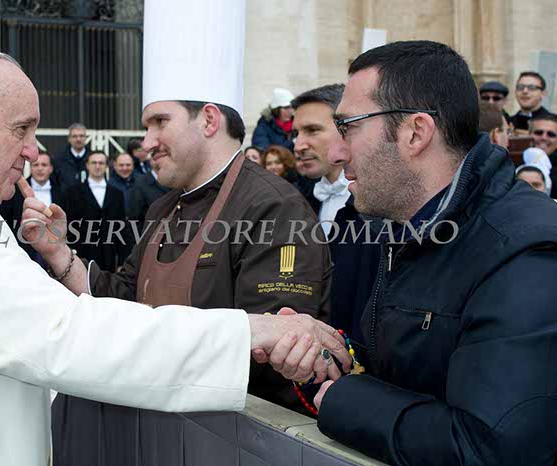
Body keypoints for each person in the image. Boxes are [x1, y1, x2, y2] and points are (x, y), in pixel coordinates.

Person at [0, 47, 349, 466]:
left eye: (160, 122)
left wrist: (59, 255)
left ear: (209, 120)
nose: (32, 150)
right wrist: (248, 331)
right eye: (21, 128)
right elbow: (66, 333)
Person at [42, 1, 336, 462]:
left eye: (160, 122)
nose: (146, 143)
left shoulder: (273, 207)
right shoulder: (163, 207)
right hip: (155, 431)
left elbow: (269, 349)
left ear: (210, 120)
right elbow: (124, 296)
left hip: (230, 441)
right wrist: (60, 255)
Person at [310, 40, 557, 465]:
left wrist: (344, 399)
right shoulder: (406, 227)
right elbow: (409, 372)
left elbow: (490, 449)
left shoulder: (525, 251)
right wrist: (325, 353)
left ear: (416, 133)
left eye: (347, 127)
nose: (335, 152)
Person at [291, 84, 380, 343]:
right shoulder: (296, 199)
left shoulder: (378, 207)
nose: (298, 145)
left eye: (313, 130)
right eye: (295, 133)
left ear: (346, 129)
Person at [64, 151, 130, 270]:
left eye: (101, 163)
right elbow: (70, 225)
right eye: (94, 163)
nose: (97, 166)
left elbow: (121, 227)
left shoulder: (117, 194)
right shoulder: (73, 192)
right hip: (83, 254)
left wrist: (122, 261)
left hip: (109, 255)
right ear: (87, 165)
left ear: (106, 166)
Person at [0, 149, 62, 267]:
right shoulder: (15, 191)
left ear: (51, 168)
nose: (40, 168)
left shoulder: (62, 192)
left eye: (44, 165)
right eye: (36, 165)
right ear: (30, 168)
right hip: (24, 252)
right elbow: (5, 220)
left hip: (54, 249)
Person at [127, 154, 169, 232]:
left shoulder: (176, 182)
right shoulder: (139, 184)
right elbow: (134, 218)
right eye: (155, 157)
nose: (160, 161)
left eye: (163, 157)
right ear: (150, 160)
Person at [53, 122, 90, 195]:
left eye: (81, 136)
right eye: (74, 136)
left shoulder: (92, 159)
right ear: (69, 139)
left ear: (86, 138)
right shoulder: (59, 159)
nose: (78, 139)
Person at [528, 113, 557, 197]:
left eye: (551, 134)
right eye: (538, 133)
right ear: (529, 134)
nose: (544, 138)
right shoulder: (513, 163)